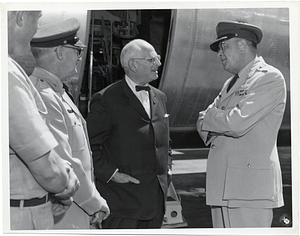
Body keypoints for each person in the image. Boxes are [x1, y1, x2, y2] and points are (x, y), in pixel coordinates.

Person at [196, 21, 286, 228]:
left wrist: (214, 118)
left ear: (243, 46)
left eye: (224, 46)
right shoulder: (231, 83)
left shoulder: (268, 78)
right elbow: (201, 120)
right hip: (223, 186)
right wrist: (218, 119)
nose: (220, 53)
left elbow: (236, 123)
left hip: (249, 190)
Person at [29, 18, 110, 229]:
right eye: (77, 50)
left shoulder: (56, 92)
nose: (79, 57)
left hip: (74, 208)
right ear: (60, 53)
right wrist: (95, 204)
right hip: (66, 214)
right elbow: (64, 161)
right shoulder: (44, 95)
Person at [86, 39, 172, 229]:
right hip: (122, 204)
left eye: (157, 58)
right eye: (152, 59)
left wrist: (168, 169)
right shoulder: (106, 99)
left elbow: (165, 141)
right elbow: (89, 146)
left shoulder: (160, 97)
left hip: (156, 202)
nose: (158, 63)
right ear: (133, 64)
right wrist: (113, 174)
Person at [8, 11, 80, 230]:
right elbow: (47, 168)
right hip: (19, 216)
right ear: (20, 18)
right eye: (37, 18)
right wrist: (66, 185)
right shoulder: (8, 74)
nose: (36, 28)